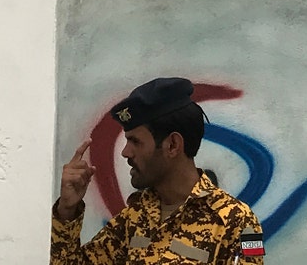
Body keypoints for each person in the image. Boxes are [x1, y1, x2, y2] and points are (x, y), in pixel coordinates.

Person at [53, 78, 265, 264]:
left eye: (135, 142)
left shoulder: (235, 221)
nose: (125, 153)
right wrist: (67, 210)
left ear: (172, 145)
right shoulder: (136, 217)